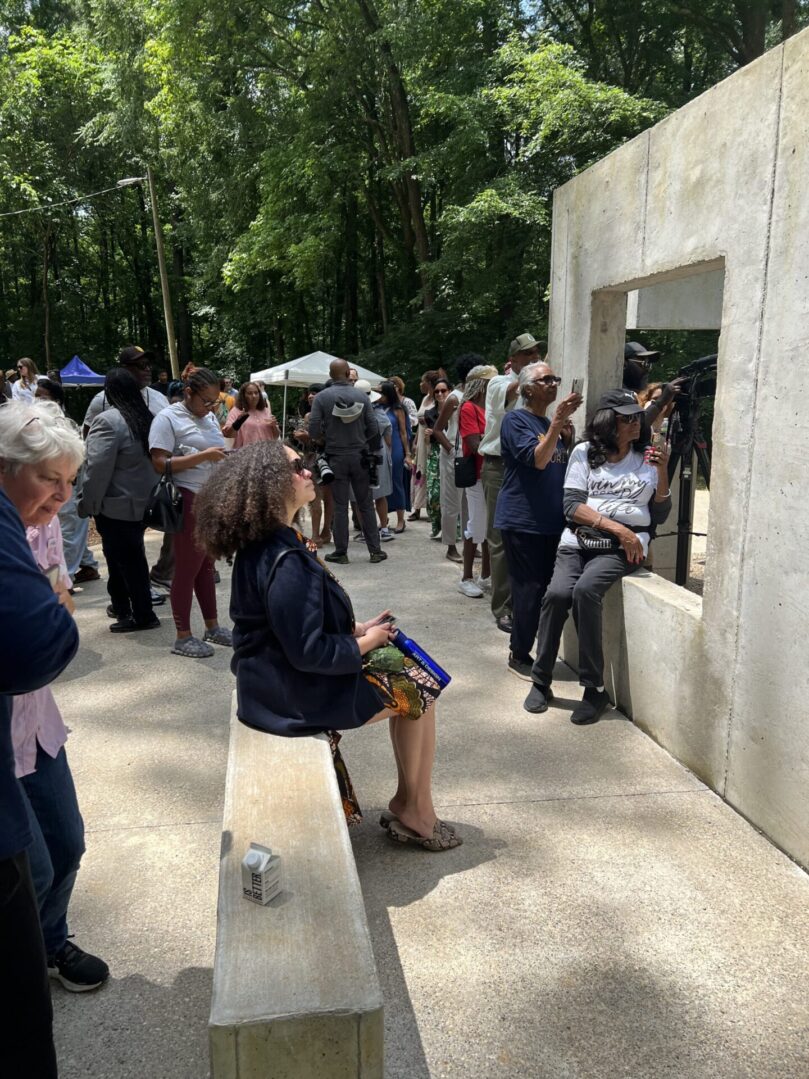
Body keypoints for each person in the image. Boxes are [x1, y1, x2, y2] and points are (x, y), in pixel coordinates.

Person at [194, 440, 461, 851]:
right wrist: (367, 642)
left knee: (411, 679)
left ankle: (412, 803)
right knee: (417, 687)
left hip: (272, 683)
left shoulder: (272, 543)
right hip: (290, 696)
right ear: (270, 485)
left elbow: (288, 624)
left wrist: (355, 629)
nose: (308, 471)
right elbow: (309, 652)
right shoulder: (285, 560)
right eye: (297, 466)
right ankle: (416, 811)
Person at [0, 400, 104, 1067]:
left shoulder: (41, 529)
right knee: (29, 865)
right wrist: (53, 612)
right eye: (49, 479)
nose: (62, 496)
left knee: (66, 843)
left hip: (35, 720)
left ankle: (49, 938)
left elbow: (61, 600)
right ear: (6, 468)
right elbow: (47, 627)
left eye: (70, 483)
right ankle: (24, 957)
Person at [523, 389, 672, 724]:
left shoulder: (648, 456)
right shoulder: (584, 453)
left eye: (637, 416)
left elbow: (660, 513)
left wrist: (663, 472)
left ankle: (594, 689)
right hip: (580, 540)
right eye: (627, 417)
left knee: (585, 591)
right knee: (557, 594)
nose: (636, 422)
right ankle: (540, 680)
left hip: (624, 548)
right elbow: (572, 506)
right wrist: (617, 528)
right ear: (608, 421)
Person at [496, 363, 581, 679]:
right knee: (529, 589)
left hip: (551, 521)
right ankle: (519, 654)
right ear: (526, 388)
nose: (553, 383)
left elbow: (558, 465)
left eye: (555, 378)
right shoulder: (516, 420)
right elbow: (538, 459)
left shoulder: (546, 422)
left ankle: (537, 650)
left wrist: (563, 434)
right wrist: (558, 423)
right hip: (523, 520)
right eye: (546, 379)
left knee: (547, 590)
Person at [148, 367, 232, 658]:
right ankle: (183, 635)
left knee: (206, 566)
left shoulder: (207, 416)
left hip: (211, 498)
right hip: (186, 498)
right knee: (186, 568)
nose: (210, 408)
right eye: (205, 401)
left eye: (215, 402)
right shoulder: (167, 418)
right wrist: (206, 456)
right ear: (188, 393)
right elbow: (159, 463)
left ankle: (212, 626)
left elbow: (215, 447)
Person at [79, 368, 161, 632]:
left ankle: (141, 613)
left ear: (109, 393)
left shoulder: (107, 421)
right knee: (129, 559)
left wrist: (87, 504)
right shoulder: (147, 418)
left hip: (116, 506)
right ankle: (124, 608)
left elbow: (96, 470)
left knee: (124, 561)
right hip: (143, 504)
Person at [479, 333, 544, 634]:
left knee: (525, 535)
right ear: (513, 359)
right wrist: (535, 374)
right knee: (500, 537)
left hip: (527, 464)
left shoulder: (537, 385)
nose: (534, 358)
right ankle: (503, 607)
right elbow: (509, 396)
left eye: (537, 353)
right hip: (499, 466)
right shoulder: (499, 382)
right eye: (527, 354)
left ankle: (525, 601)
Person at [307, 358, 386, 564]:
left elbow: (313, 430)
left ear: (331, 375)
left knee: (340, 506)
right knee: (366, 504)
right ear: (347, 373)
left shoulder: (322, 398)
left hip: (335, 457)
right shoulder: (362, 396)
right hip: (360, 456)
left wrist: (326, 436)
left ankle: (341, 552)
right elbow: (373, 427)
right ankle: (375, 551)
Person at [432, 354, 480, 563]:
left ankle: (472, 542)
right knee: (451, 503)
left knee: (470, 503)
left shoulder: (477, 396)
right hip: (453, 455)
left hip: (470, 454)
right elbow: (437, 429)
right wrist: (452, 450)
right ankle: (451, 546)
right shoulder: (454, 398)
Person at [457, 365, 497, 597]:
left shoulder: (492, 408)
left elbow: (482, 440)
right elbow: (474, 444)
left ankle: (485, 576)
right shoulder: (468, 408)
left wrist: (486, 438)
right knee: (477, 525)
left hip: (491, 473)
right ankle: (466, 577)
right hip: (477, 475)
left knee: (490, 526)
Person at [82, 345, 168, 433]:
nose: (148, 369)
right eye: (142, 365)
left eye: (149, 365)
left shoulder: (160, 398)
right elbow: (88, 435)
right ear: (124, 369)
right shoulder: (102, 400)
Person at [292, 384, 333, 547]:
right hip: (310, 460)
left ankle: (325, 531)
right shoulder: (308, 415)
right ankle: (316, 534)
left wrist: (308, 437)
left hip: (326, 460)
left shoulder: (329, 416)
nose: (310, 396)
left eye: (315, 393)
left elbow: (326, 441)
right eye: (309, 393)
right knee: (314, 497)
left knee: (328, 498)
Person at [355, 379, 394, 540]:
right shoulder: (380, 414)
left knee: (360, 495)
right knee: (380, 493)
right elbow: (388, 437)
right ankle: (382, 529)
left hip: (360, 454)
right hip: (379, 453)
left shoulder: (351, 414)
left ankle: (367, 531)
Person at [376, 380, 412, 533]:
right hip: (380, 447)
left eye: (381, 392)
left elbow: (404, 432)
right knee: (380, 484)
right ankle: (384, 520)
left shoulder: (398, 409)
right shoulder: (375, 407)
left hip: (396, 447)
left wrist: (408, 454)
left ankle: (400, 519)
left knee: (396, 482)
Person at [408, 370, 445, 521]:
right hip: (422, 439)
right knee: (419, 472)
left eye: (422, 381)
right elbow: (420, 424)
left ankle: (432, 507)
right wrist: (416, 442)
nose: (420, 384)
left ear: (429, 383)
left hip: (433, 439)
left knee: (432, 472)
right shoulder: (424, 399)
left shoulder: (438, 399)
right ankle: (417, 507)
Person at [423, 377, 450, 539]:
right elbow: (428, 441)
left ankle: (453, 529)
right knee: (433, 493)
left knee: (450, 493)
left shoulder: (456, 410)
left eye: (443, 390)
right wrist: (428, 435)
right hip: (434, 452)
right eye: (437, 391)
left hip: (450, 451)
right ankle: (437, 526)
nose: (440, 394)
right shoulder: (429, 413)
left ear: (449, 391)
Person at [222, 381, 280, 447]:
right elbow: (228, 434)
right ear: (243, 395)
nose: (254, 396)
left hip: (266, 453)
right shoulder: (236, 411)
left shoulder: (265, 411)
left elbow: (276, 436)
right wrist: (237, 422)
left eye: (256, 393)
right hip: (246, 454)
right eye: (249, 393)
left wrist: (274, 426)